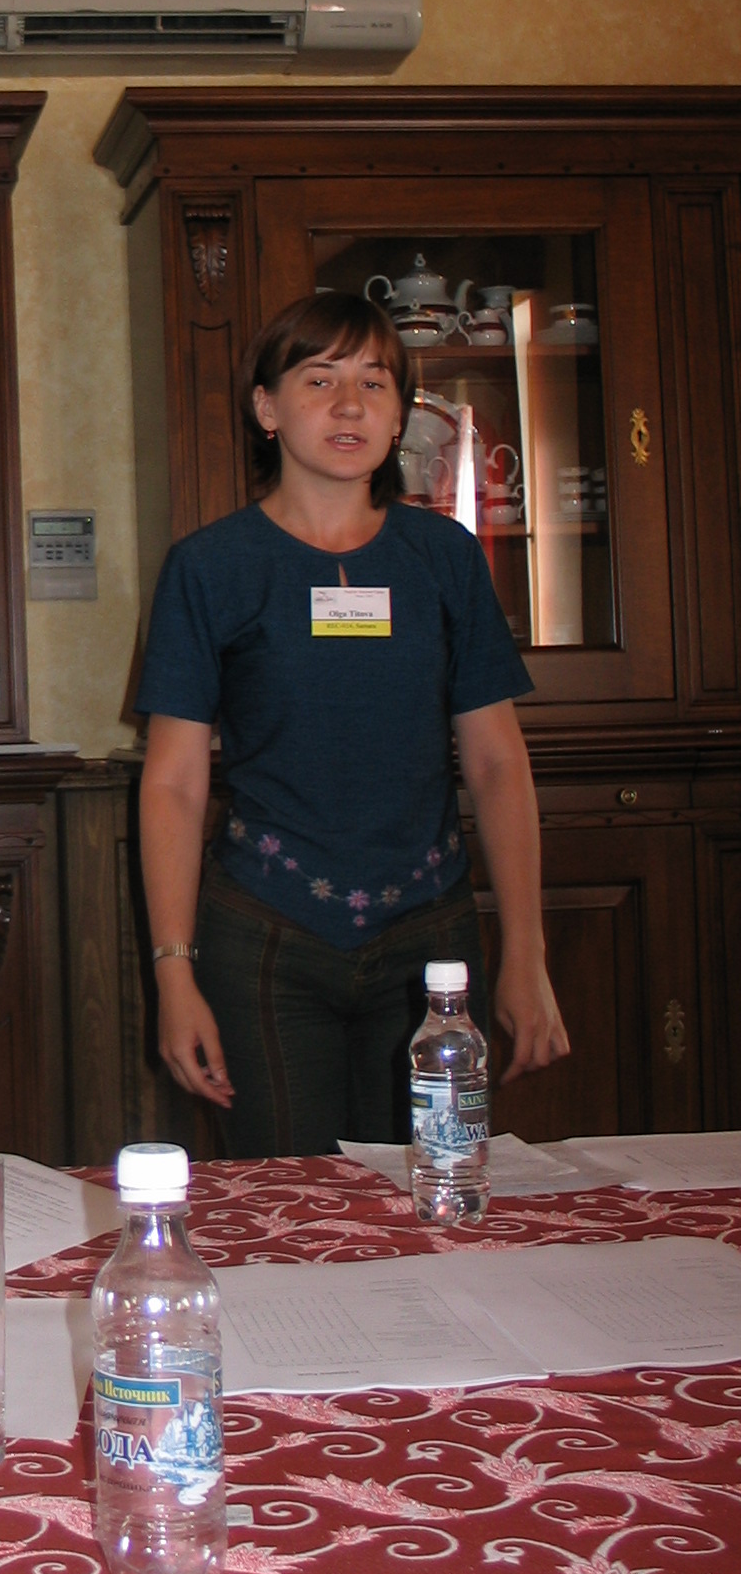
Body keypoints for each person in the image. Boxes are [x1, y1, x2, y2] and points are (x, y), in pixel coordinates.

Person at [137, 291, 570, 1158]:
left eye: (374, 383)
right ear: (267, 408)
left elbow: (496, 761)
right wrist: (174, 973)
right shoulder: (209, 567)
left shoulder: (444, 557)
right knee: (288, 1203)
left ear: (401, 414)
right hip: (266, 937)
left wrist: (525, 950)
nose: (349, 405)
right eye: (319, 379)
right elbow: (174, 782)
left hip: (431, 941)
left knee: (435, 1191)